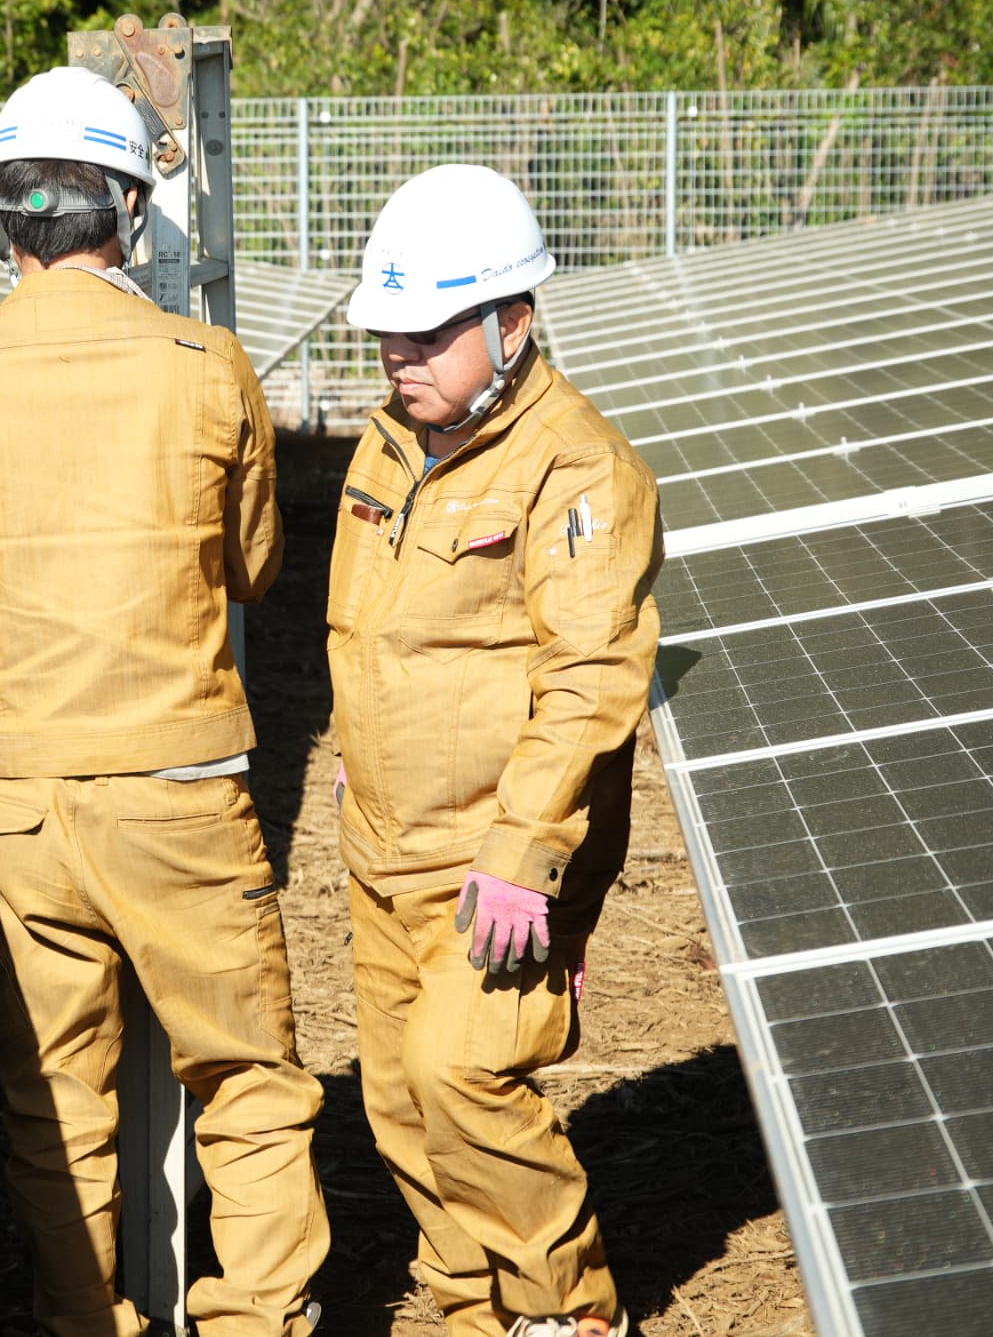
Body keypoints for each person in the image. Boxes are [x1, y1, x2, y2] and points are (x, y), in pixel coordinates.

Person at [0, 66, 328, 1337]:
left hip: (17, 798)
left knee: (52, 1097)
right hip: (178, 788)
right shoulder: (205, 364)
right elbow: (251, 566)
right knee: (243, 1077)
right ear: (129, 212)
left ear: (3, 217)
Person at [327, 164, 662, 1337]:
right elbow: (370, 628)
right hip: (384, 840)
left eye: (426, 334)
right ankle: (470, 1310)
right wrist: (359, 753)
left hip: (493, 859)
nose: (399, 357)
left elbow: (588, 680)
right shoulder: (386, 443)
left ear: (510, 323)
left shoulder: (575, 469)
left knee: (463, 1076)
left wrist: (522, 854)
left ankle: (568, 1313)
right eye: (386, 334)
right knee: (395, 1100)